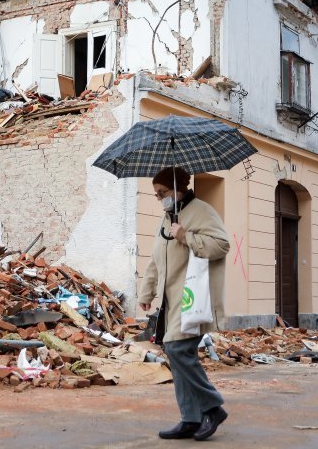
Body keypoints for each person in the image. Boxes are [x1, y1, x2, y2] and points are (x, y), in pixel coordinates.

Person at [138, 166, 230, 441]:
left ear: (179, 189)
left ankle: (212, 408)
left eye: (162, 193)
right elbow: (156, 258)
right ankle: (190, 418)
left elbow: (221, 245)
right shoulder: (168, 217)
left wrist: (185, 236)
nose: (159, 199)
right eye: (156, 195)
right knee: (174, 350)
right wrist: (147, 292)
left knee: (178, 349)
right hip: (171, 299)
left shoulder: (201, 210)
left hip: (194, 296)